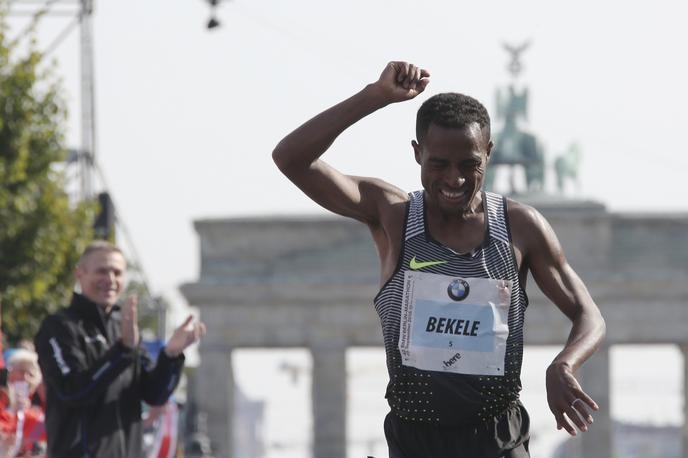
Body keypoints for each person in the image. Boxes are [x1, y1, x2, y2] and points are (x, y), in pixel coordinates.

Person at [272, 61, 606, 457]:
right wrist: (374, 96)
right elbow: (291, 158)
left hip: (498, 439)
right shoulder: (392, 214)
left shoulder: (520, 226)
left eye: (469, 165)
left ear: (489, 154)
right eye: (439, 164)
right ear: (417, 154)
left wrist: (564, 365)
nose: (454, 180)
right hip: (416, 441)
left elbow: (590, 316)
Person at [34, 241, 206, 458]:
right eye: (102, 271)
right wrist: (122, 351)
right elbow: (73, 391)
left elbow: (155, 395)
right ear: (80, 274)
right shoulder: (58, 327)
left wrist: (170, 355)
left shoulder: (123, 330)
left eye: (117, 273)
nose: (110, 280)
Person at [0, 348, 47, 457]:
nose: (25, 378)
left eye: (30, 374)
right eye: (21, 371)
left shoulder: (33, 415)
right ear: (9, 373)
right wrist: (13, 411)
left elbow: (52, 433)